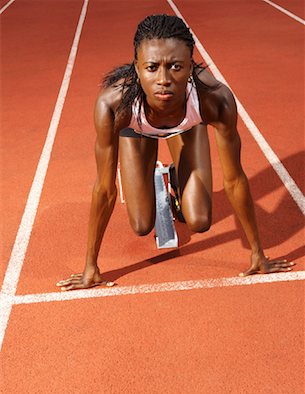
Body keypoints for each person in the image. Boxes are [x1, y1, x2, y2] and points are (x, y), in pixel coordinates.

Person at [57, 14, 294, 291]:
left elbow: (235, 179)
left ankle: (176, 178)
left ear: (191, 67)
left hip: (187, 126)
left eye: (176, 67)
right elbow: (104, 190)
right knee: (142, 224)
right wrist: (90, 266)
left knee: (200, 220)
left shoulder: (215, 100)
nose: (164, 79)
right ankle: (151, 176)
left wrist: (258, 253)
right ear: (136, 68)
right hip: (137, 130)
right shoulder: (113, 105)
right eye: (152, 67)